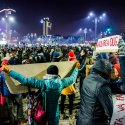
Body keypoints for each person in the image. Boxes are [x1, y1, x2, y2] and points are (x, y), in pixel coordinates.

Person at [2, 62, 80, 125]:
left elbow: (25, 80)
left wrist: (9, 71)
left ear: (48, 74)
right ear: (57, 73)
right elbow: (72, 78)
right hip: (55, 112)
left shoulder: (43, 83)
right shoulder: (62, 83)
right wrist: (76, 68)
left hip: (43, 111)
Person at [76, 59, 113, 125]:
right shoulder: (103, 84)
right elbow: (110, 110)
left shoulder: (87, 78)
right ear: (106, 71)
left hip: (82, 119)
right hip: (95, 121)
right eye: (110, 71)